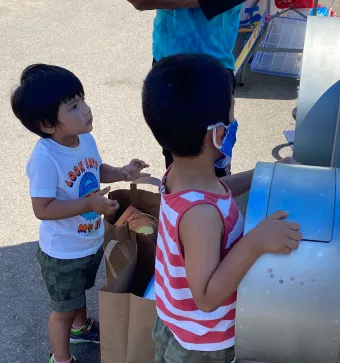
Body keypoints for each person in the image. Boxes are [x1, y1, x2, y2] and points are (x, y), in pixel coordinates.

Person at [142, 53, 302, 363]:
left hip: (177, 323)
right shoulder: (200, 213)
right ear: (218, 134)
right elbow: (206, 296)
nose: (234, 119)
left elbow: (221, 191)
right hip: (202, 342)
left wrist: (265, 174)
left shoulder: (182, 174)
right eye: (232, 110)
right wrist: (256, 241)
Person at [11, 64, 149, 363]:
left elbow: (95, 169)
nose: (86, 110)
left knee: (80, 294)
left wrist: (123, 172)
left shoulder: (84, 138)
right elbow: (42, 209)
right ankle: (61, 358)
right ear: (47, 125)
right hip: (62, 252)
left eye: (82, 100)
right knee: (63, 309)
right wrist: (88, 205)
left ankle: (81, 327)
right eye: (73, 106)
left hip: (87, 240)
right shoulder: (45, 159)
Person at [127, 0, 245, 177]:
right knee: (175, 154)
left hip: (210, 75)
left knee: (212, 157)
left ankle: (210, 200)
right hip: (166, 61)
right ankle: (178, 200)